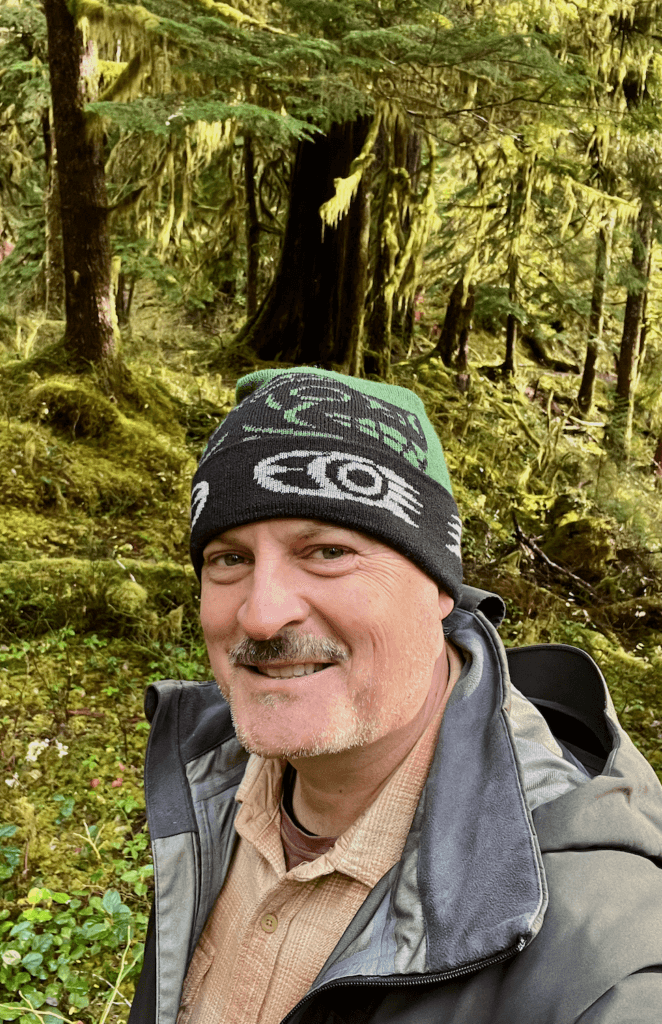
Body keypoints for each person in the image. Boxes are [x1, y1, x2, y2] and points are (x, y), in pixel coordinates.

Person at [128, 367, 662, 1024]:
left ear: (440, 586)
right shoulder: (203, 782)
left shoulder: (598, 959)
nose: (262, 615)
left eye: (327, 550)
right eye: (229, 558)